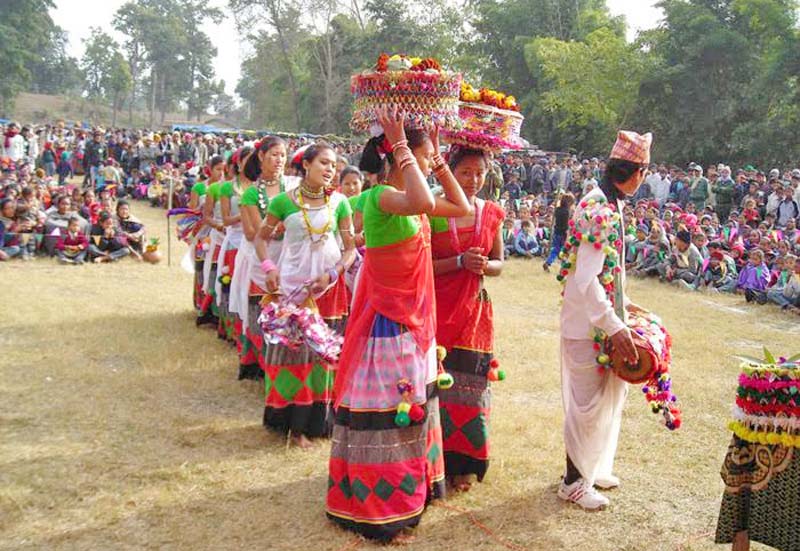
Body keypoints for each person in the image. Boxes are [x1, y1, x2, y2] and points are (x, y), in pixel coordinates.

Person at [326, 107, 470, 542]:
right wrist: (405, 145)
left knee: (412, 408)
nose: (427, 167)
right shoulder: (381, 198)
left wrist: (440, 159)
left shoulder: (408, 201)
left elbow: (459, 206)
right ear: (396, 156)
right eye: (424, 161)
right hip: (389, 327)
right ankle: (385, 506)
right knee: (391, 414)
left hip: (413, 325)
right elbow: (425, 200)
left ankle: (411, 490)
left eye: (428, 162)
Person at [557, 130, 652, 510]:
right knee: (586, 405)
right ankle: (573, 482)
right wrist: (614, 324)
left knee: (605, 399)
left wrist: (626, 306)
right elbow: (584, 278)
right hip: (586, 327)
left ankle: (590, 470)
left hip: (599, 319)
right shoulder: (599, 208)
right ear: (637, 171)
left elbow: (607, 271)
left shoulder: (612, 204)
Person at [254, 143, 356, 446]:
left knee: (325, 354)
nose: (329, 170)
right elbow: (261, 239)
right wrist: (270, 266)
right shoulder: (284, 202)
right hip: (293, 288)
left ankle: (323, 422)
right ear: (306, 164)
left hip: (329, 288)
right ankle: (293, 426)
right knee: (296, 354)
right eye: (323, 163)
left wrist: (334, 273)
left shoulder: (340, 202)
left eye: (333, 165)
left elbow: (349, 249)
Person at [430, 145, 505, 491]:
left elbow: (499, 264)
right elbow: (420, 266)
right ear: (448, 172)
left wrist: (483, 265)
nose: (473, 180)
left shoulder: (491, 212)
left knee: (471, 390)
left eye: (479, 173)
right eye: (465, 173)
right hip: (436, 310)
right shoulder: (428, 210)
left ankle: (464, 465)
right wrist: (459, 262)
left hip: (474, 314)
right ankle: (433, 463)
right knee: (436, 389)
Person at [229, 138, 292, 380]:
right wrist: (288, 227)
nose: (279, 160)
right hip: (263, 257)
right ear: (261, 157)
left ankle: (284, 364)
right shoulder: (252, 194)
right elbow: (259, 232)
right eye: (274, 155)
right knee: (263, 310)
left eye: (283, 155)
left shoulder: (295, 187)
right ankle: (261, 364)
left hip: (291, 258)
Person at [543, 192, 574, 271]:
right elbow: (566, 224)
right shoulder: (566, 212)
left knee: (556, 249)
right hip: (563, 233)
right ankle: (563, 267)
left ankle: (548, 261)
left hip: (556, 231)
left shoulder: (557, 210)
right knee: (565, 250)